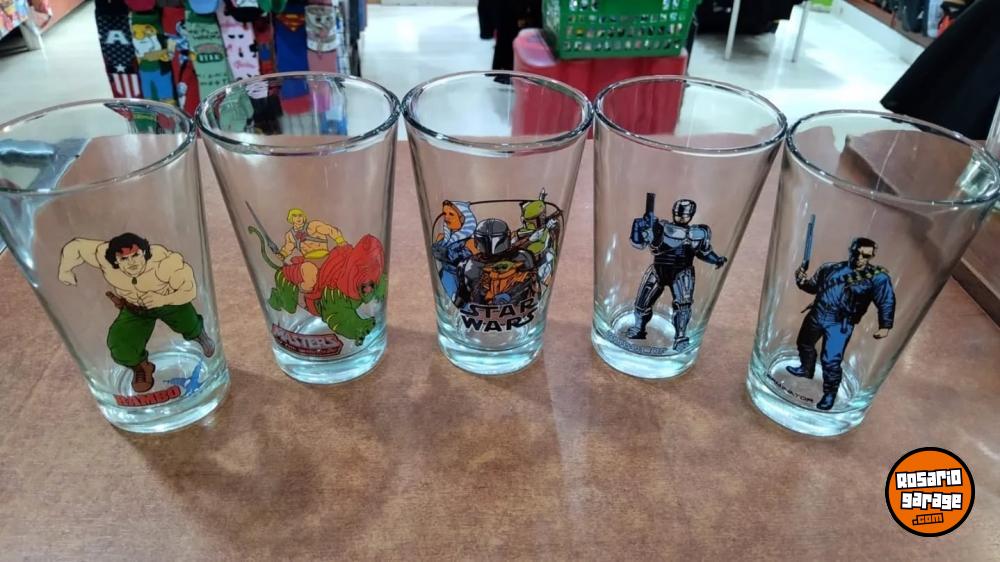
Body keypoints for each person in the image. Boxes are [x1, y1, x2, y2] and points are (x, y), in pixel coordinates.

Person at [58, 233, 215, 393]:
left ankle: (199, 335)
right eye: (124, 259)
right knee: (120, 341)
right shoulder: (103, 257)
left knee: (187, 321)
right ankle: (141, 367)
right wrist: (65, 270)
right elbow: (76, 247)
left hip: (168, 302)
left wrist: (162, 299)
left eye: (135, 255)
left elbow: (189, 290)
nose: (131, 262)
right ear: (115, 261)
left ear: (144, 253)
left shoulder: (165, 263)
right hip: (135, 309)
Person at [786, 237, 895, 411]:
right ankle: (806, 369)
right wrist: (801, 280)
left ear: (872, 256)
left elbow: (886, 301)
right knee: (804, 343)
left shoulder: (876, 278)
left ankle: (830, 393)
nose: (859, 258)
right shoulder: (829, 268)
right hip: (817, 313)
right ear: (851, 250)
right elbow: (813, 287)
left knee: (830, 360)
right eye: (856, 253)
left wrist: (885, 326)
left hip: (840, 322)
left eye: (865, 255)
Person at [627, 199, 726, 351]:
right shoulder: (661, 227)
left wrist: (716, 259)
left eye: (684, 214)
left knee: (683, 306)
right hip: (659, 269)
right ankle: (638, 328)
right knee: (642, 302)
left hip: (682, 272)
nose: (680, 216)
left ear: (691, 214)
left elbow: (704, 252)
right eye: (678, 213)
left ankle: (680, 337)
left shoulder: (699, 233)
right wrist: (638, 229)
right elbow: (639, 243)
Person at [431, 200, 478, 302]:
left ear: (463, 218)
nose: (446, 217)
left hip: (460, 283)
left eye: (451, 214)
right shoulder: (441, 237)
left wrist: (445, 253)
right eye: (444, 213)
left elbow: (469, 263)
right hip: (443, 278)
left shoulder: (471, 243)